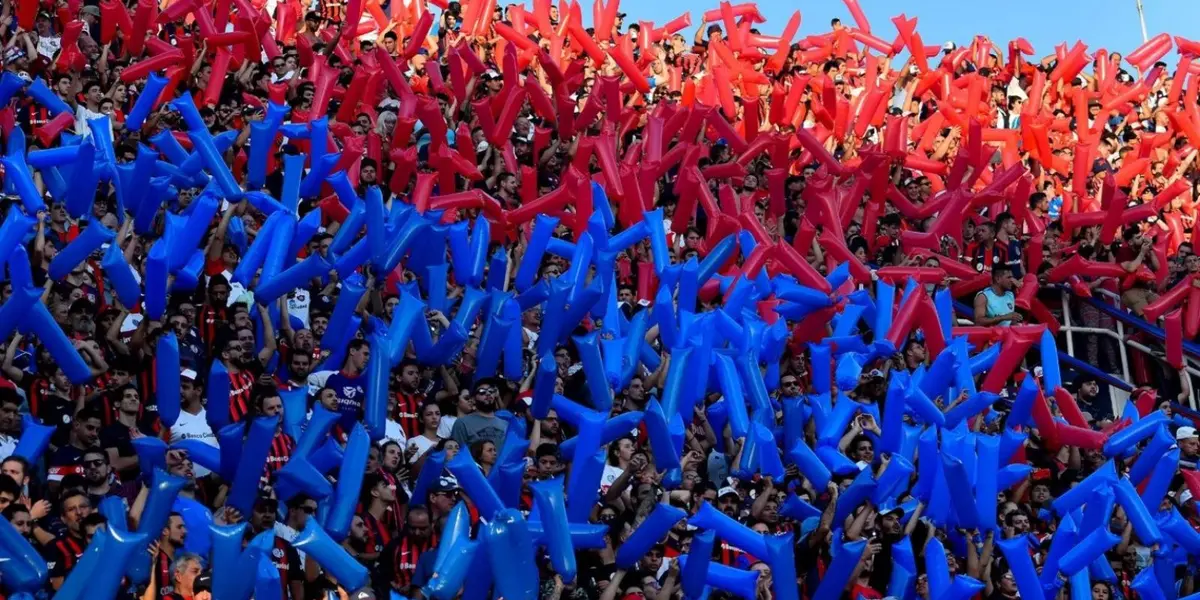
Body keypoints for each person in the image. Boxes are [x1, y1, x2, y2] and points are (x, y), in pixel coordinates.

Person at [449, 378, 507, 452]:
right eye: (482, 391)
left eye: (491, 391)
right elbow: (456, 455)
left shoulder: (505, 424)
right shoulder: (462, 423)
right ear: (473, 399)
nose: (488, 393)